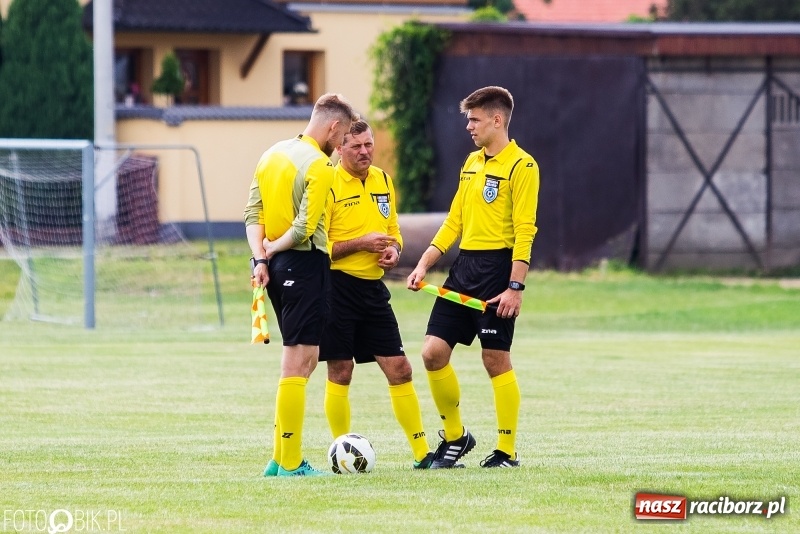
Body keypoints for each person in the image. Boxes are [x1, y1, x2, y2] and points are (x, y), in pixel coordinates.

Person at [406, 86, 540, 469]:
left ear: (497, 120)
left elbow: (525, 231)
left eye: (475, 119)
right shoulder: (470, 163)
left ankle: (506, 451)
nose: (469, 126)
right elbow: (455, 221)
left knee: (495, 359)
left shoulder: (522, 166)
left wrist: (515, 287)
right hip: (464, 269)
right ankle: (455, 436)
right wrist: (424, 263)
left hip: (499, 270)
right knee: (432, 352)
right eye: (468, 119)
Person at [243, 93, 359, 477]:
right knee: (298, 361)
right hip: (304, 262)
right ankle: (291, 463)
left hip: (278, 267)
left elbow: (252, 213)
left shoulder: (272, 153)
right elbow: (305, 227)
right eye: (344, 137)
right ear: (333, 127)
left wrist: (261, 258)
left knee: (305, 359)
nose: (342, 145)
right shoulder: (320, 165)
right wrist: (273, 249)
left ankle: (279, 459)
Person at [320, 120, 435, 469]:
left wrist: (394, 250)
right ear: (340, 148)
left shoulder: (383, 179)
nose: (364, 151)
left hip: (372, 290)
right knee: (341, 370)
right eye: (356, 146)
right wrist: (361, 243)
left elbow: (393, 229)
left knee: (400, 368)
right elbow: (318, 247)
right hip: (336, 288)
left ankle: (422, 454)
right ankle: (341, 454)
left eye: (368, 144)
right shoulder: (326, 183)